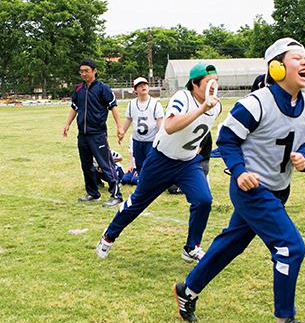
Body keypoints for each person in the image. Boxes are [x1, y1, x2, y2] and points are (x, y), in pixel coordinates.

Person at [173, 38, 305, 323]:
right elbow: (226, 139)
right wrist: (239, 171)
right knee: (290, 247)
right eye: (296, 58)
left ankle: (187, 290)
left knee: (231, 244)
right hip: (252, 190)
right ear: (277, 67)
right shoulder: (256, 103)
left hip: (280, 190)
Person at [96, 63, 222, 261]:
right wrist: (202, 108)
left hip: (187, 163)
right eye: (208, 82)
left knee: (203, 200)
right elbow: (170, 126)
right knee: (138, 202)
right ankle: (108, 236)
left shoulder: (217, 106)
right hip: (161, 160)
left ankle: (192, 247)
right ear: (194, 84)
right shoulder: (183, 97)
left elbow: (202, 132)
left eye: (216, 81)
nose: (213, 86)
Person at [62, 58, 124, 208]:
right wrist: (67, 124)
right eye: (81, 71)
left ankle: (116, 194)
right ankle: (92, 193)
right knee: (86, 165)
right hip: (82, 134)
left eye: (86, 71)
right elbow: (74, 108)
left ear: (94, 71)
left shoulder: (103, 88)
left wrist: (119, 127)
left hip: (97, 134)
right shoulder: (78, 89)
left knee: (106, 164)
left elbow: (113, 107)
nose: (83, 74)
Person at [119, 77, 164, 175]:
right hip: (137, 141)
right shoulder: (131, 104)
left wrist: (162, 137)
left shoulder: (155, 103)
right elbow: (128, 119)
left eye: (145, 84)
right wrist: (122, 132)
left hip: (151, 140)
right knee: (139, 165)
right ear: (135, 90)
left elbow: (160, 121)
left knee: (151, 164)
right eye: (139, 85)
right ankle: (142, 182)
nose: (143, 86)